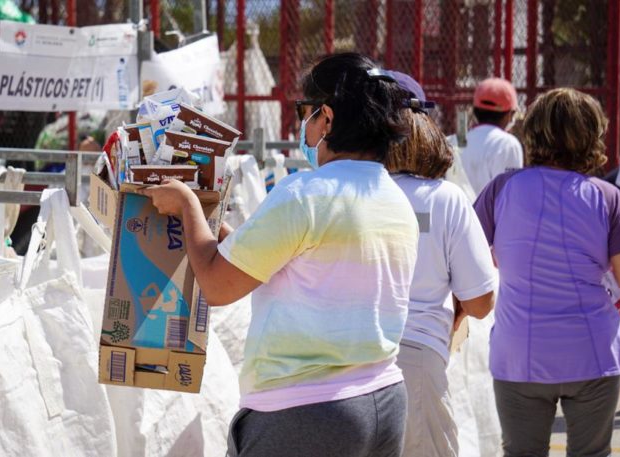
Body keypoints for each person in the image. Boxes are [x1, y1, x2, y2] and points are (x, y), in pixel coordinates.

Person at [144, 53, 419, 457]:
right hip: (383, 399)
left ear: (326, 118)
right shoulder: (394, 199)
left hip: (305, 413)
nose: (301, 124)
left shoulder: (305, 194)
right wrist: (205, 220)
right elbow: (283, 261)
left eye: (304, 112)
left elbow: (218, 285)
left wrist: (186, 205)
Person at [474, 88, 620, 456]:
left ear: (532, 131)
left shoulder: (501, 190)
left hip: (518, 352)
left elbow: (468, 262)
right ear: (591, 136)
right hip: (593, 354)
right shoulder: (609, 198)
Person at [384, 72, 497, 457]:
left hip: (339, 363)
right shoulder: (444, 199)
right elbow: (482, 301)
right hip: (416, 359)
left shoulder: (337, 193)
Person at [456, 77, 524, 196]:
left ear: (476, 110)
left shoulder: (457, 140)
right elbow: (508, 196)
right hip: (489, 214)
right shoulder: (507, 143)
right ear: (509, 114)